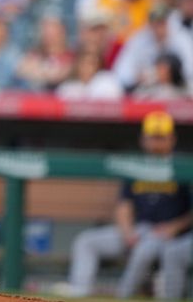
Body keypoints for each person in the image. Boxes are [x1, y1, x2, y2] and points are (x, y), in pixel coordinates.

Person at [66, 111, 193, 299]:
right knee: (86, 241)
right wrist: (127, 232)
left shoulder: (182, 166)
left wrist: (174, 227)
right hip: (137, 229)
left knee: (145, 250)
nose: (156, 143)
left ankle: (123, 296)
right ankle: (79, 293)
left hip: (165, 234)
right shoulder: (136, 165)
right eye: (152, 138)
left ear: (171, 139)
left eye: (161, 138)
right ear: (143, 139)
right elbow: (124, 205)